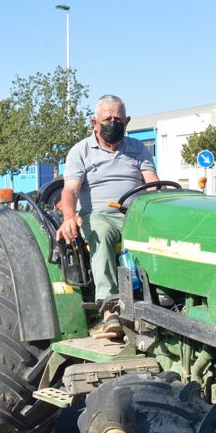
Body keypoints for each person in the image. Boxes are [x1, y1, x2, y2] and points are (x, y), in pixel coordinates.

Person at [56, 94, 158, 335]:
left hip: (136, 214)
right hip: (99, 215)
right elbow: (70, 189)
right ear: (94, 123)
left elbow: (153, 184)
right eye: (107, 119)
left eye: (118, 119)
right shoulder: (81, 151)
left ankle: (164, 302)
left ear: (127, 121)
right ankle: (110, 310)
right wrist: (69, 217)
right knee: (101, 233)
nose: (113, 123)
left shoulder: (138, 149)